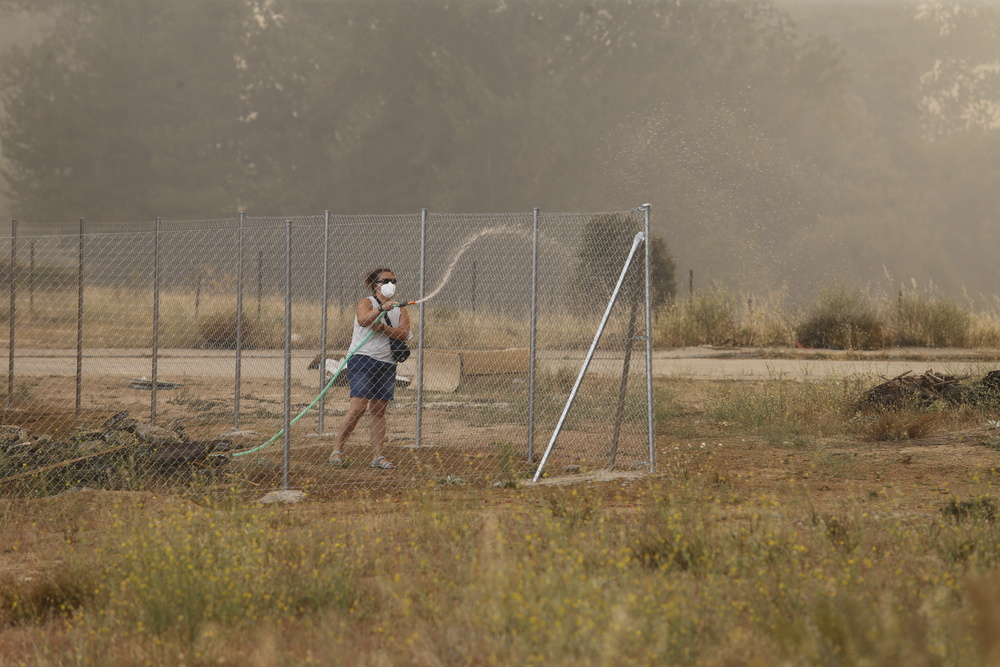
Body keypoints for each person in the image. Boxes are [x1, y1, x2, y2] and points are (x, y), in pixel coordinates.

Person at [330, 268, 411, 469]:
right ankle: (337, 450)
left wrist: (384, 328)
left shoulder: (400, 308)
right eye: (386, 280)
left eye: (393, 280)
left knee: (378, 410)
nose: (391, 283)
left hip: (387, 364)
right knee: (358, 407)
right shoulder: (367, 302)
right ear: (376, 285)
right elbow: (363, 320)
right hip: (363, 360)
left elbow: (404, 333)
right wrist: (381, 309)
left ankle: (378, 456)